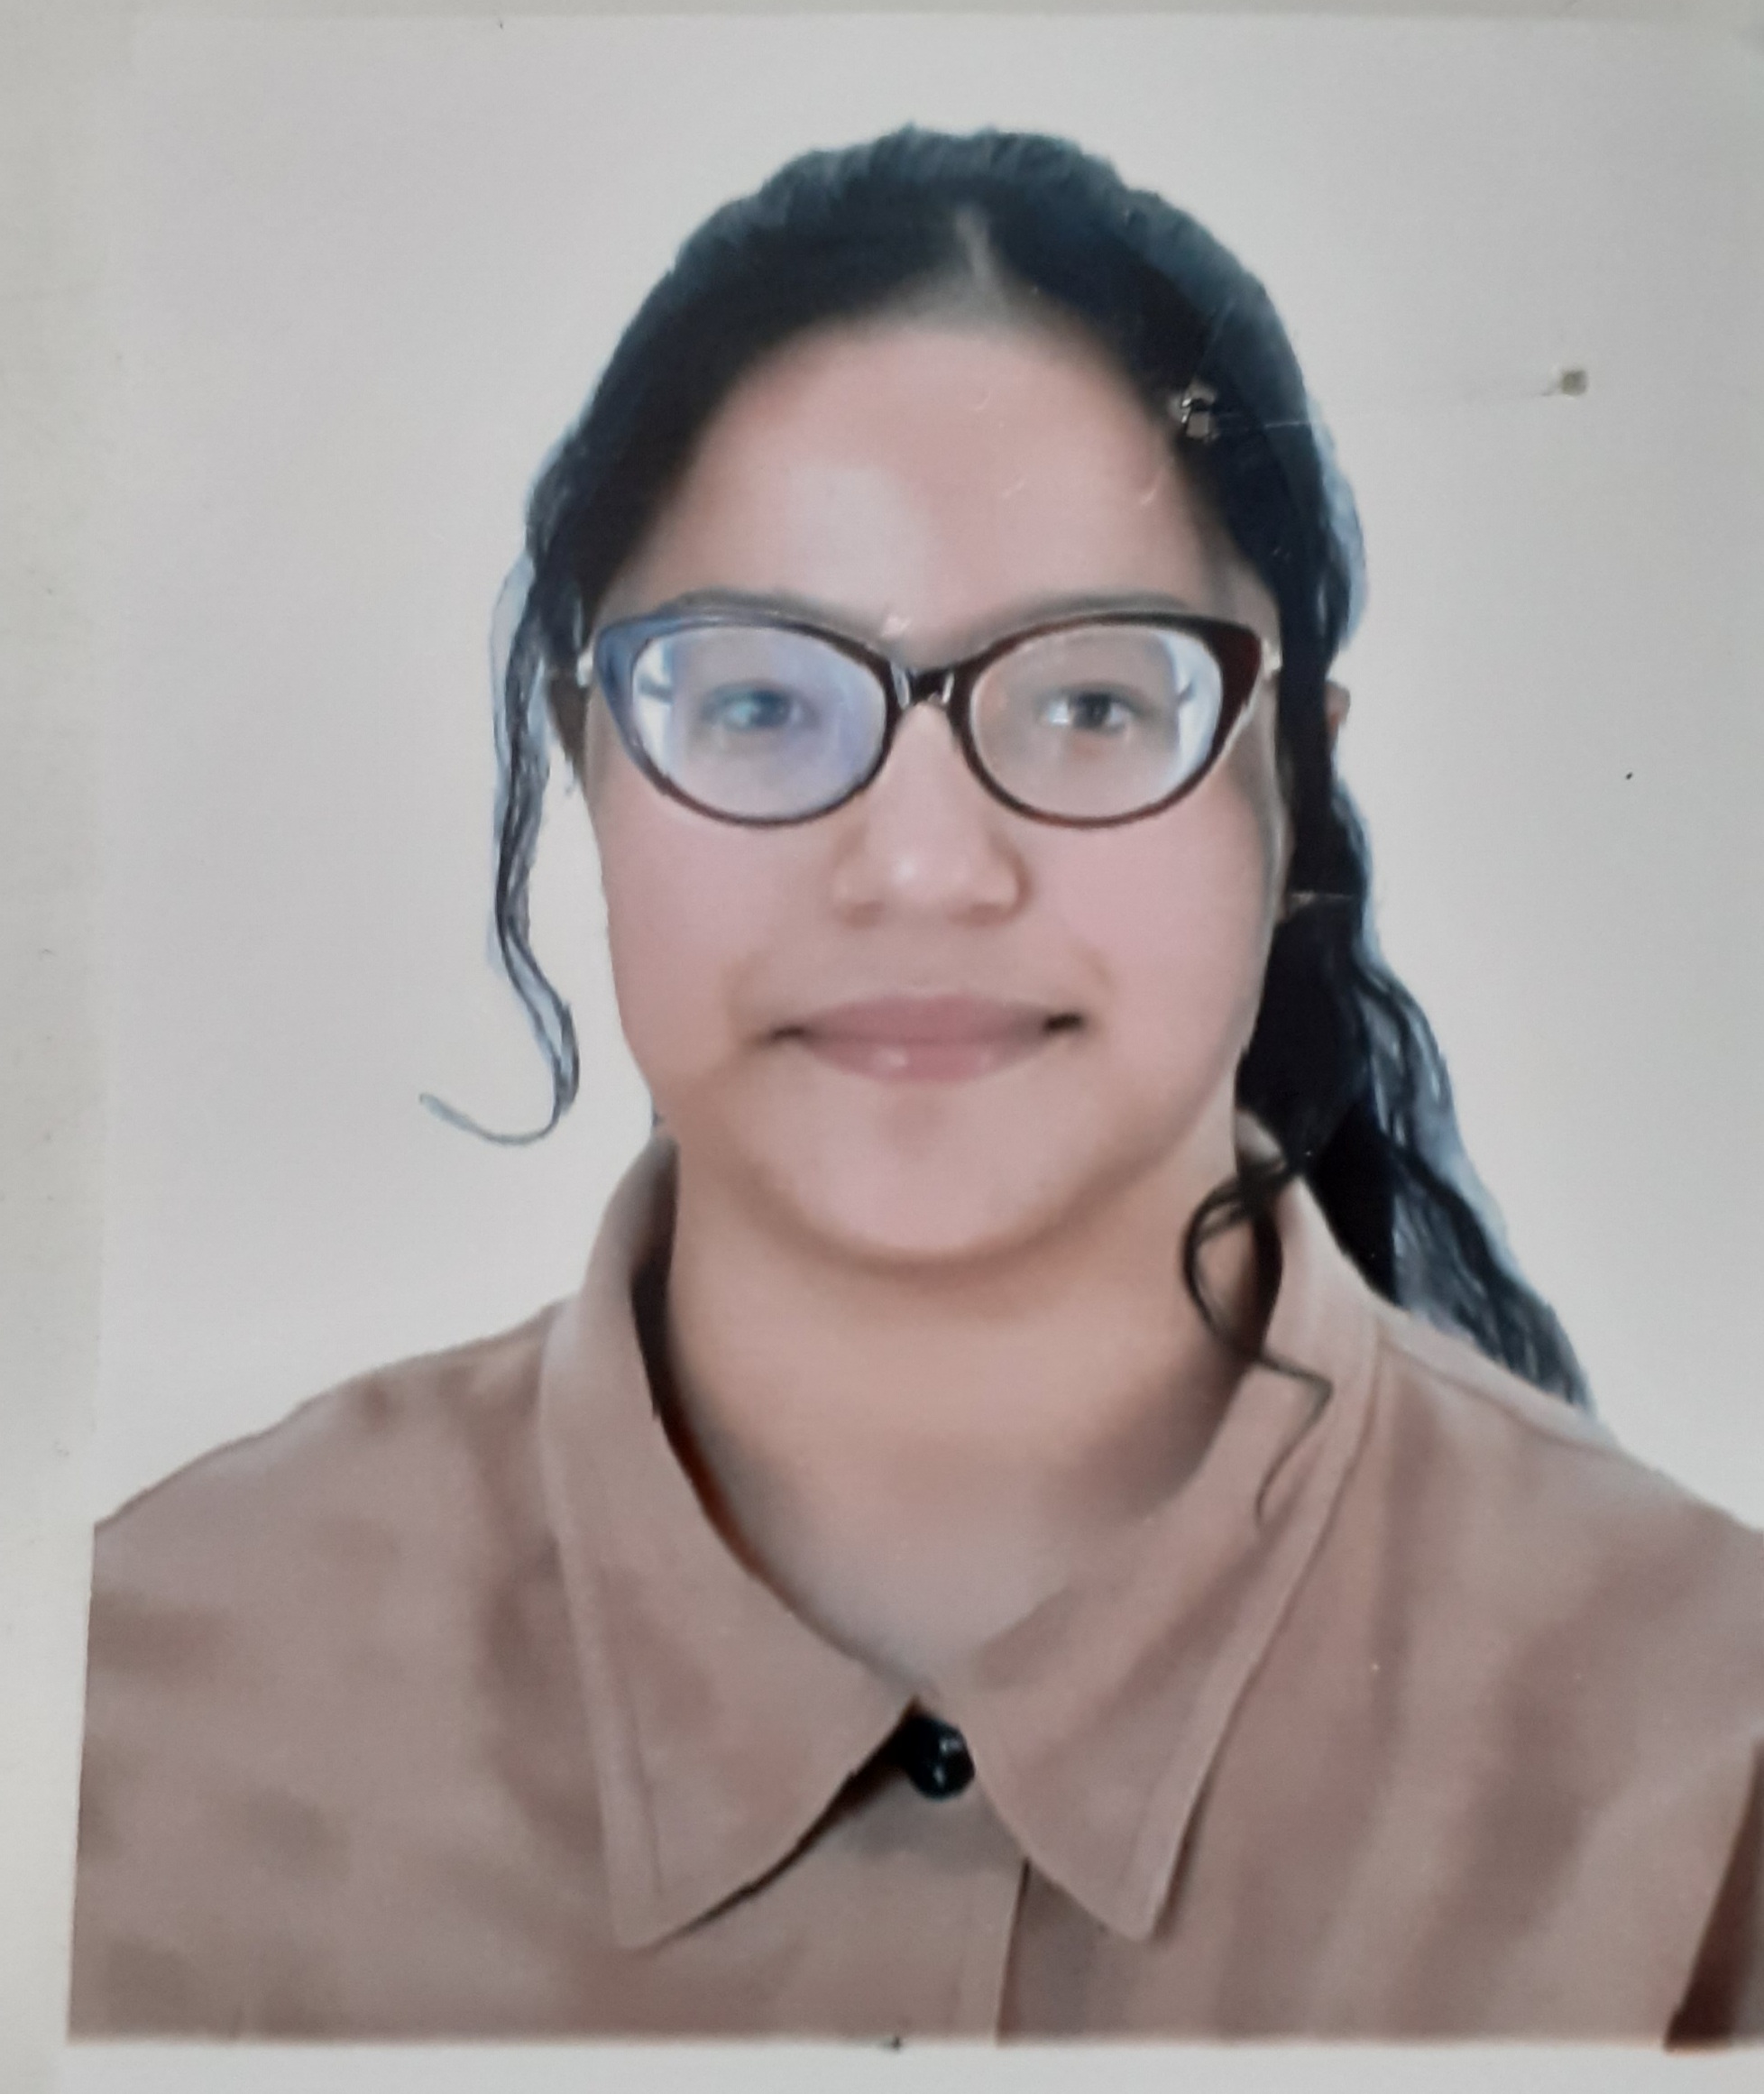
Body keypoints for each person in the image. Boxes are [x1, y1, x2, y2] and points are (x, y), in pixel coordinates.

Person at [69, 126, 1764, 2043]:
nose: (925, 866)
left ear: (1290, 781)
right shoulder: (130, 1707)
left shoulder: (1708, 1763)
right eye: (759, 702)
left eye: (1093, 701)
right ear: (592, 762)